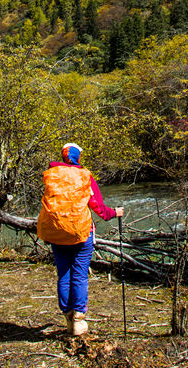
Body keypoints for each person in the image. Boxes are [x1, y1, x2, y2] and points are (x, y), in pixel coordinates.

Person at [36, 142, 123, 336]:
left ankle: (67, 316)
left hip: (57, 233)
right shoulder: (85, 176)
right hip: (81, 233)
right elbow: (97, 206)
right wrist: (113, 213)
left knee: (64, 275)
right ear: (78, 157)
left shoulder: (52, 175)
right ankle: (78, 320)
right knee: (80, 275)